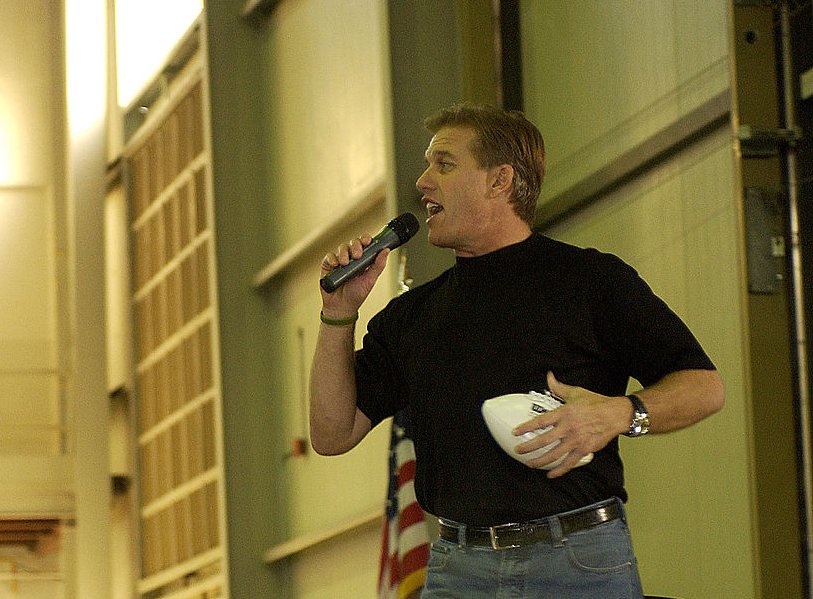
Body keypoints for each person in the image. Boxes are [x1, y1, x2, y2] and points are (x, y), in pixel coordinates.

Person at [310, 103, 724, 598]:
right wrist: (338, 313)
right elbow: (332, 434)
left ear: (499, 180)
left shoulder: (590, 281)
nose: (422, 181)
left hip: (577, 560)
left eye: (443, 164)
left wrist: (620, 414)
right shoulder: (412, 317)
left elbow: (704, 386)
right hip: (457, 568)